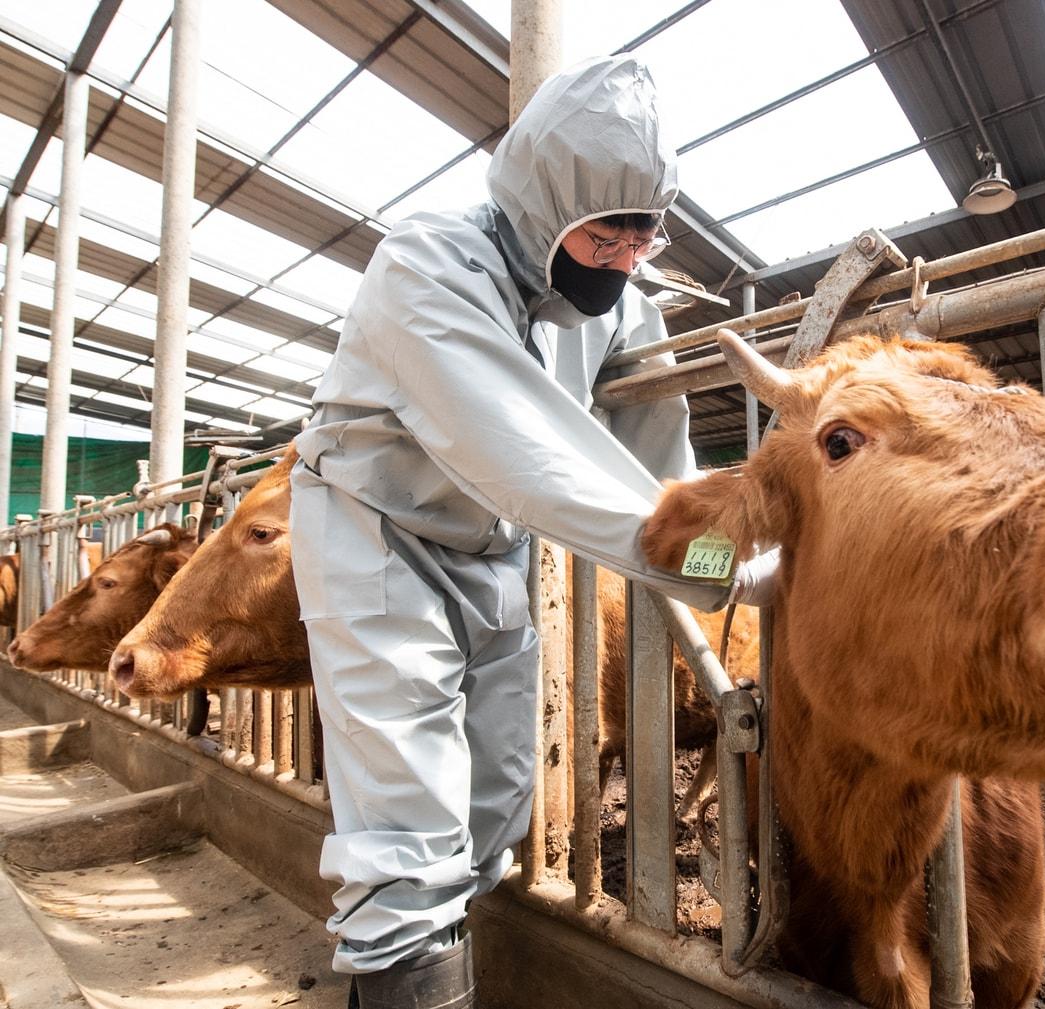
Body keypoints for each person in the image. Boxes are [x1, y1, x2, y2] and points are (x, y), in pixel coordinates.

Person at [289, 55, 776, 1008]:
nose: (630, 255)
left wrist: (723, 558)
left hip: (490, 553)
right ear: (544, 202)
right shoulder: (424, 267)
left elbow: (658, 485)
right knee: (409, 828)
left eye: (647, 231)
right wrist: (740, 578)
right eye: (608, 231)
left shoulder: (627, 308)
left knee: (496, 800)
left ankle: (406, 969)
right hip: (377, 540)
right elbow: (531, 455)